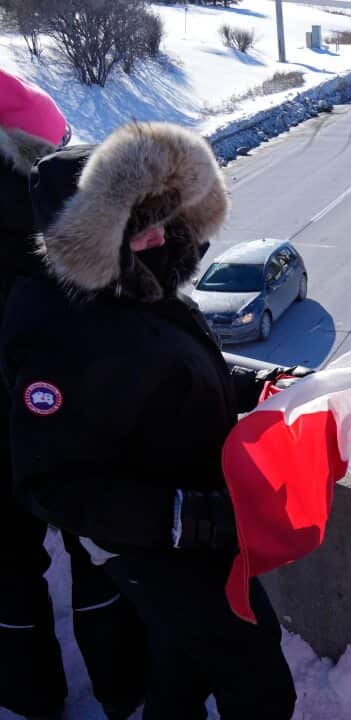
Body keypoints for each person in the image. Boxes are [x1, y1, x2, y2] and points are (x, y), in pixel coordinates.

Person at [1, 121, 298, 720]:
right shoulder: (58, 334)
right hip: (156, 544)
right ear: (93, 237)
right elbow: (53, 484)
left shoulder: (143, 290)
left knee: (178, 669)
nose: (161, 237)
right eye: (141, 228)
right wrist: (190, 519)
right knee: (261, 682)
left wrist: (255, 385)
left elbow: (176, 379)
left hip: (201, 525)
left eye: (165, 219)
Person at [0, 70, 148, 720]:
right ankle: (126, 694)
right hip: (70, 420)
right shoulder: (57, 216)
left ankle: (30, 702)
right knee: (98, 561)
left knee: (7, 574)